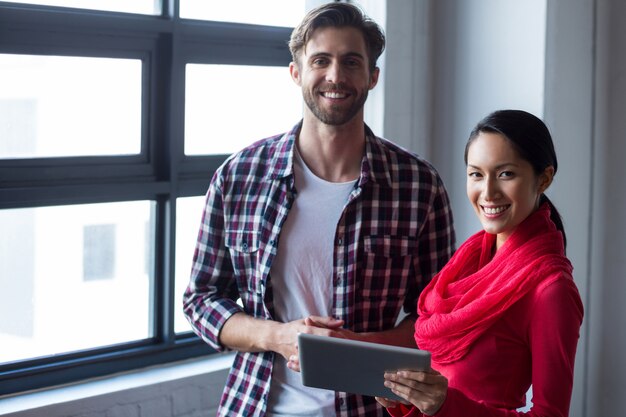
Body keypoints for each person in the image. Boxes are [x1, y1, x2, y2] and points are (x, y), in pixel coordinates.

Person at [182, 3, 455, 417]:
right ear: (296, 72)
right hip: (256, 406)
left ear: (372, 76)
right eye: (320, 61)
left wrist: (361, 348)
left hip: (371, 410)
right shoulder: (238, 177)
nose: (335, 76)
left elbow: (439, 318)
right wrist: (279, 336)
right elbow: (201, 301)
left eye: (351, 62)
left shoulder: (418, 185)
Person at [377, 109, 584, 417]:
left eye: (506, 174)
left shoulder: (550, 290)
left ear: (544, 178)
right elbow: (449, 389)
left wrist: (445, 405)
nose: (487, 193)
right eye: (476, 174)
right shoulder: (471, 265)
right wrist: (411, 399)